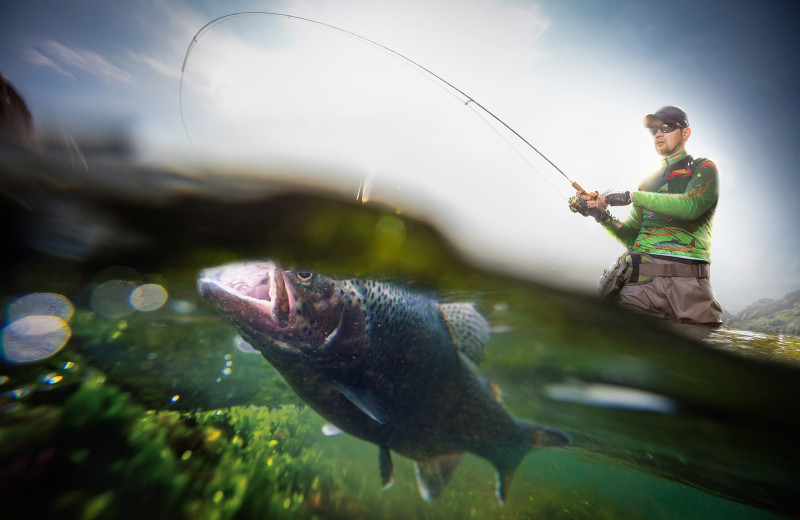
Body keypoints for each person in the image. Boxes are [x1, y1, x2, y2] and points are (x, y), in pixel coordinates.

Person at [575, 105, 722, 326]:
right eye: (654, 130)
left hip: (689, 286)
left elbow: (692, 206)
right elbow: (632, 236)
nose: (659, 133)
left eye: (667, 126)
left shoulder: (704, 168)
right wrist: (601, 215)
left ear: (686, 133)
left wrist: (632, 196)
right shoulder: (646, 183)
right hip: (638, 283)